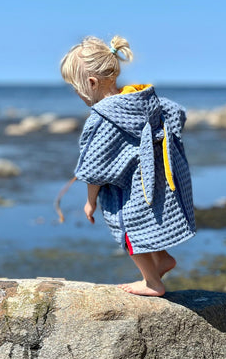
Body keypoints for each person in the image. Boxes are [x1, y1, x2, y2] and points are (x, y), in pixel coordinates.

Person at [60, 35, 196, 296]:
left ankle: (152, 282)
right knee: (145, 224)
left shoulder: (103, 118)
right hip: (152, 180)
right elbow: (176, 112)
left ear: (91, 83)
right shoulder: (141, 100)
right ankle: (163, 258)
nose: (77, 94)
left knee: (128, 230)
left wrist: (90, 202)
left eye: (76, 88)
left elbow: (94, 168)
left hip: (130, 190)